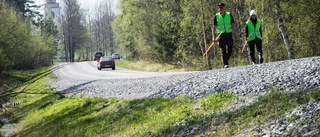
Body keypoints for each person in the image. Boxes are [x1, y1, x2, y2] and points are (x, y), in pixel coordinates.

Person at [212, 2, 237, 68]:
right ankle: (225, 64)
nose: (220, 9)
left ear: (224, 8)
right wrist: (213, 37)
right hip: (220, 35)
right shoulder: (216, 16)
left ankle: (225, 60)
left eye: (221, 7)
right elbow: (213, 27)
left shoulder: (229, 15)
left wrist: (234, 31)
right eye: (219, 7)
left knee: (230, 49)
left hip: (228, 33)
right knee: (223, 50)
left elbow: (233, 24)